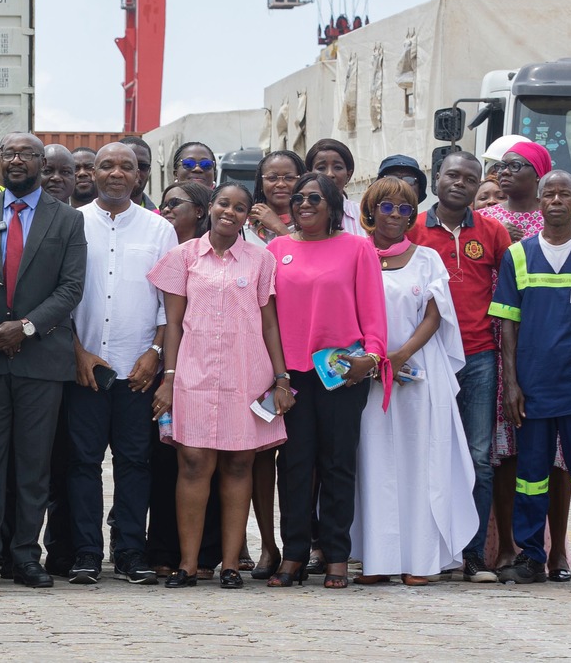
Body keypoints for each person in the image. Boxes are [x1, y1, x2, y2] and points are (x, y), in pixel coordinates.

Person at [0, 132, 88, 588]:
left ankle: (27, 555)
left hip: (41, 360)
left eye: (26, 154)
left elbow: (71, 288)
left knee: (34, 463)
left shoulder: (67, 221)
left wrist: (25, 327)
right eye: (8, 153)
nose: (16, 160)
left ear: (41, 163)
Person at [149, 182, 292, 588]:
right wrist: (169, 378)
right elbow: (173, 324)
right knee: (193, 462)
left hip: (247, 375)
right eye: (224, 203)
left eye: (240, 207)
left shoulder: (261, 260)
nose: (230, 211)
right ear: (210, 207)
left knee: (239, 463)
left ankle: (230, 564)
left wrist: (281, 378)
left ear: (249, 215)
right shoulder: (183, 256)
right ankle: (188, 564)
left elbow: (269, 323)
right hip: (193, 375)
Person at [490, 169, 571, 586]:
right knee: (531, 476)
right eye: (550, 194)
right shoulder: (517, 255)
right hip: (531, 387)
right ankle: (531, 556)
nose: (557, 201)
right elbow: (507, 324)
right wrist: (511, 384)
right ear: (541, 201)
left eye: (565, 194)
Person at [351, 178, 476, 584]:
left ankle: (420, 560)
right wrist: (372, 361)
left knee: (421, 461)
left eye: (405, 209)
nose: (396, 216)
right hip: (368, 375)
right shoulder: (356, 254)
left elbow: (435, 315)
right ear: (370, 211)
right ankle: (379, 559)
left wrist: (400, 355)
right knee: (374, 461)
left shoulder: (427, 259)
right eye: (386, 207)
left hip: (418, 374)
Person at [266, 171, 387, 589]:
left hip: (341, 373)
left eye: (315, 199)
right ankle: (294, 554)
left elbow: (373, 312)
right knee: (295, 466)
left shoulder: (358, 248)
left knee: (338, 465)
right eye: (298, 198)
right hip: (292, 374)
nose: (304, 205)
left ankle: (336, 554)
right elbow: (267, 320)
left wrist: (371, 358)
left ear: (334, 206)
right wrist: (276, 374)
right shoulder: (276, 248)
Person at [66, 142, 177, 586]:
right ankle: (87, 553)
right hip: (85, 369)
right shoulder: (72, 224)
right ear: (92, 173)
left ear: (139, 176)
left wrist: (155, 353)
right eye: (107, 165)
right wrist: (78, 353)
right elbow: (62, 298)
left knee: (136, 463)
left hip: (138, 370)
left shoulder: (158, 230)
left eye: (126, 167)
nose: (116, 172)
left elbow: (170, 304)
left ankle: (131, 552)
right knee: (81, 464)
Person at [407, 149, 512, 581]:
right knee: (422, 452)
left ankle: (471, 555)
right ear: (435, 179)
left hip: (479, 357)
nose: (460, 183)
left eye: (470, 179)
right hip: (426, 358)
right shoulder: (409, 229)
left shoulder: (492, 231)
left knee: (478, 457)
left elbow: (509, 295)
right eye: (452, 175)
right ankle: (424, 551)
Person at [249, 150, 308, 242]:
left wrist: (278, 227)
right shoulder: (245, 226)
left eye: (289, 178)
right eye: (272, 178)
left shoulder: (312, 224)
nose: (281, 184)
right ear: (261, 183)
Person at [307, 138, 363, 235]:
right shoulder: (301, 214)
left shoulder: (364, 216)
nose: (329, 174)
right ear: (308, 174)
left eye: (338, 167)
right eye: (321, 168)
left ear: (348, 175)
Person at [121, 136, 157, 209]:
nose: (135, 173)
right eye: (127, 166)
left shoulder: (161, 217)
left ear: (149, 172)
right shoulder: (92, 214)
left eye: (142, 166)